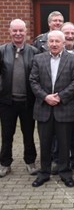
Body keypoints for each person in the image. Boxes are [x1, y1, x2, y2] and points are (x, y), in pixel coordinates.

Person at [29, 30, 74, 187]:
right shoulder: (38, 59)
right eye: (51, 41)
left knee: (64, 143)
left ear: (63, 43)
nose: (54, 44)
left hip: (64, 108)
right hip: (44, 108)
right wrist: (45, 97)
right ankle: (44, 173)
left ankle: (65, 172)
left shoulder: (73, 59)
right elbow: (33, 81)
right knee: (44, 143)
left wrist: (60, 97)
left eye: (57, 41)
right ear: (46, 43)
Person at [0, 19, 39, 177]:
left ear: (26, 32)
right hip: (7, 102)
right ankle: (4, 163)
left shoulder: (34, 52)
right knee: (7, 134)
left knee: (28, 134)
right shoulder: (2, 51)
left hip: (28, 102)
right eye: (14, 30)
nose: (18, 33)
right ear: (10, 32)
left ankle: (30, 162)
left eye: (20, 30)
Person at [51, 22, 74, 174]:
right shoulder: (53, 52)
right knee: (57, 134)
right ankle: (57, 160)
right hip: (59, 101)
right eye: (67, 33)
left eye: (73, 33)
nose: (70, 36)